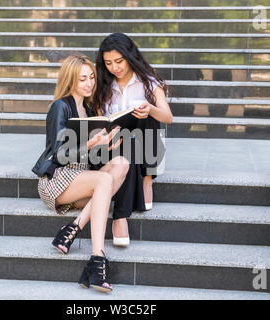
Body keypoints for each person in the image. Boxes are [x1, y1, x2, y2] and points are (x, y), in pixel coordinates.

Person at [32, 54, 129, 293]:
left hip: (80, 177)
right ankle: (97, 260)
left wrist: (104, 146)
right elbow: (59, 154)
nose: (89, 83)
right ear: (70, 80)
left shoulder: (86, 107)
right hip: (57, 180)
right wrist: (89, 144)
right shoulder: (60, 106)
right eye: (82, 79)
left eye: (91, 77)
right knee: (105, 180)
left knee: (122, 163)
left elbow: (87, 157)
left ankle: (71, 229)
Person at [93, 33, 173, 247]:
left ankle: (146, 179)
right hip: (114, 146)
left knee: (147, 119)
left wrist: (151, 109)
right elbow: (101, 120)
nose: (114, 67)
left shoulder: (149, 81)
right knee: (124, 139)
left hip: (141, 143)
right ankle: (120, 217)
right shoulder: (103, 84)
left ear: (130, 56)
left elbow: (168, 117)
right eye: (108, 63)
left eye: (119, 61)